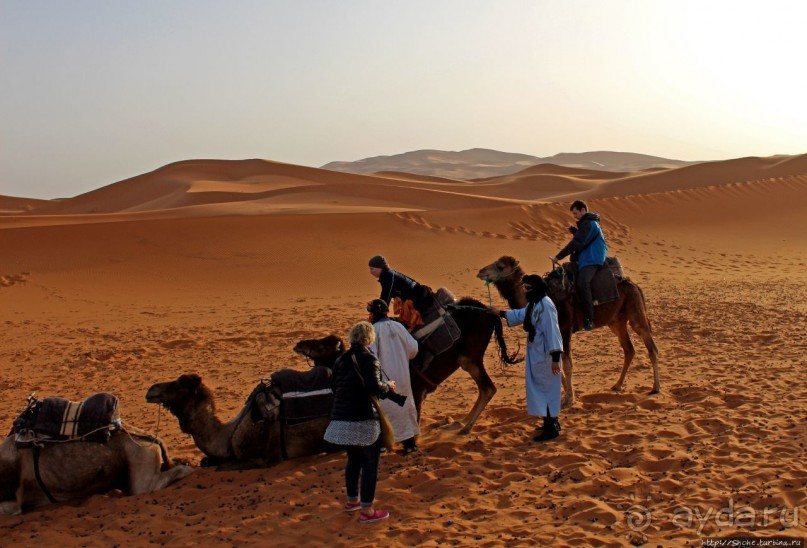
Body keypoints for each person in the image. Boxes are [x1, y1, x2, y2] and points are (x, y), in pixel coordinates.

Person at [323, 321, 397, 523]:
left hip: (342, 418)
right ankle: (367, 510)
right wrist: (388, 386)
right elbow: (374, 387)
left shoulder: (340, 360)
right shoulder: (368, 358)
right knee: (370, 462)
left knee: (353, 460)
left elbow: (334, 388)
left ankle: (351, 501)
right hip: (363, 418)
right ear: (368, 339)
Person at [489, 275, 564, 441]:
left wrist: (555, 359)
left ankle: (552, 428)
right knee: (541, 389)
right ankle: (549, 423)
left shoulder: (546, 305)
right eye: (524, 288)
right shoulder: (535, 303)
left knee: (547, 389)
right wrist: (500, 313)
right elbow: (522, 315)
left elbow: (553, 332)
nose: (525, 291)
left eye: (528, 288)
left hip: (546, 355)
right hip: (537, 353)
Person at [367, 298, 420, 455]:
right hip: (403, 376)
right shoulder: (399, 327)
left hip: (385, 379)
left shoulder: (373, 331)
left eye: (370, 313)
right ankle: (409, 445)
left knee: (384, 411)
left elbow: (370, 356)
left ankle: (384, 445)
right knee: (405, 408)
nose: (369, 316)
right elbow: (413, 350)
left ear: (373, 314)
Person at [553, 200, 607, 331]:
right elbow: (582, 238)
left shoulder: (589, 223)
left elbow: (576, 243)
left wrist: (558, 256)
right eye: (573, 214)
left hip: (592, 259)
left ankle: (589, 318)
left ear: (583, 210)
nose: (575, 216)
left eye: (576, 213)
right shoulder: (587, 224)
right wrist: (574, 231)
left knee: (583, 282)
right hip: (587, 258)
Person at [368, 255, 425, 330]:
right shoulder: (387, 274)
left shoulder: (387, 276)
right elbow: (385, 296)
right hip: (411, 295)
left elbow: (386, 298)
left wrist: (377, 315)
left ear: (380, 268)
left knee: (407, 323)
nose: (370, 272)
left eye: (372, 269)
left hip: (416, 298)